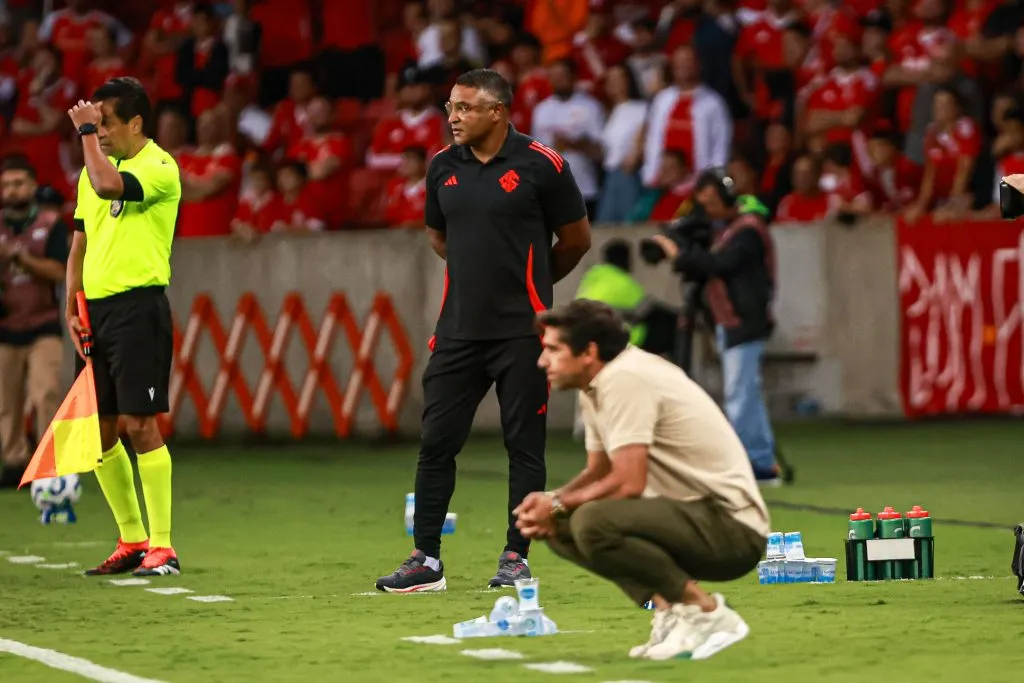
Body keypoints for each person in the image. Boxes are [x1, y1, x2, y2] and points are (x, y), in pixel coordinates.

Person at [375, 68, 592, 593]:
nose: (453, 117)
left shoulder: (543, 164)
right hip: (457, 332)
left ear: (498, 112)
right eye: (450, 107)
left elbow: (576, 240)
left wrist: (532, 285)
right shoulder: (441, 167)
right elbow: (438, 237)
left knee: (524, 449)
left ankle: (516, 556)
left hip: (524, 333)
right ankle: (425, 560)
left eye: (465, 108)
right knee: (436, 444)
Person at [514, 299, 769, 661]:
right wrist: (550, 501)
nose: (542, 361)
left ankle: (709, 614)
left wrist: (556, 503)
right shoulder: (598, 381)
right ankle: (672, 612)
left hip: (733, 529)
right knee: (558, 523)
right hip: (691, 516)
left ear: (589, 352)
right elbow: (599, 470)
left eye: (554, 350)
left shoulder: (625, 378)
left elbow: (628, 482)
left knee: (591, 521)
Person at [65, 77, 182, 576]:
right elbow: (79, 244)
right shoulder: (90, 172)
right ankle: (132, 539)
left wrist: (85, 133)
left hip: (138, 310)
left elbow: (109, 187)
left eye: (106, 123)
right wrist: (72, 307)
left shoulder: (160, 167)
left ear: (136, 123)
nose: (100, 132)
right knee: (100, 429)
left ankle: (163, 546)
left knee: (140, 424)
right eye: (96, 124)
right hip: (96, 313)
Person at [649, 167, 787, 486]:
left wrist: (678, 253)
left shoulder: (747, 230)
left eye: (712, 202)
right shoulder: (729, 230)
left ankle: (743, 466)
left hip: (745, 320)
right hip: (732, 320)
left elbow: (719, 265)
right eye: (704, 203)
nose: (708, 210)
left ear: (727, 197)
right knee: (747, 394)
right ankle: (761, 462)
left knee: (739, 395)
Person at [0, 157, 69, 489]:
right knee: (6, 404)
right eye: (6, 185)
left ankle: (47, 466)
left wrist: (20, 258)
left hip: (44, 323)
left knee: (46, 395)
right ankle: (14, 463)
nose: (11, 191)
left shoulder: (51, 224)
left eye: (18, 183)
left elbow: (59, 272)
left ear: (32, 186)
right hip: (5, 325)